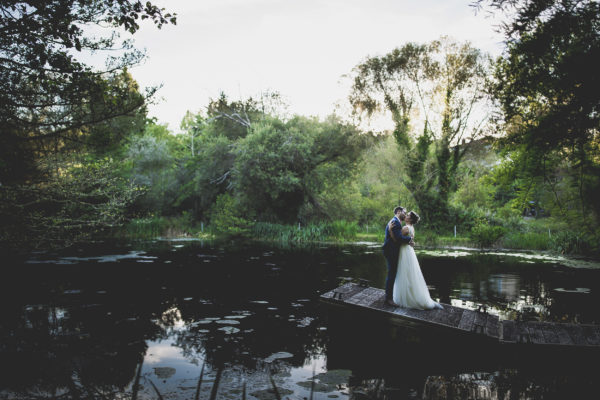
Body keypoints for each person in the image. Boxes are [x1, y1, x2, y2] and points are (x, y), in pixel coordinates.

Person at [392, 211, 443, 310]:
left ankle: (406, 298)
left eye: (407, 216)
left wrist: (390, 230)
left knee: (404, 273)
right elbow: (410, 240)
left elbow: (397, 239)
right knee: (410, 274)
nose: (405, 216)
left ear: (410, 219)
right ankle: (410, 295)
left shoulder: (406, 228)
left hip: (405, 252)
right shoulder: (412, 228)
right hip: (409, 251)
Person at [382, 206, 413, 307]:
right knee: (391, 274)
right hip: (391, 251)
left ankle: (389, 296)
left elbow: (397, 237)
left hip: (392, 250)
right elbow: (398, 238)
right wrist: (409, 240)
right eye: (405, 212)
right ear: (399, 212)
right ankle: (388, 299)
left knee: (392, 273)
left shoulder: (396, 221)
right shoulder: (395, 222)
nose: (406, 213)